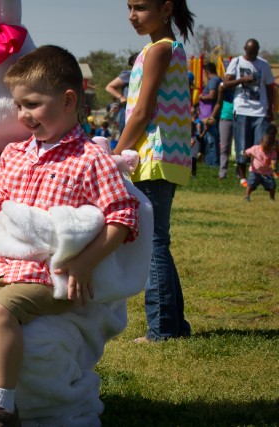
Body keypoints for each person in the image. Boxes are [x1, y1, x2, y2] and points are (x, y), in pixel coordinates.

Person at [0, 45, 139, 426]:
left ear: (68, 100)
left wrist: (83, 263)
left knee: (1, 310)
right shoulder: (16, 153)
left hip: (51, 274)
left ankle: (1, 407)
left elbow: (123, 214)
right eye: (19, 105)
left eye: (32, 104)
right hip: (5, 268)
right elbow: (2, 201)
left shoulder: (89, 158)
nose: (23, 115)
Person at [115, 0, 195, 342]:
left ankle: (161, 329)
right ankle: (176, 326)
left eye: (141, 7)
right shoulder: (163, 49)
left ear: (166, 9)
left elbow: (142, 111)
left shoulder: (159, 50)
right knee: (159, 241)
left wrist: (115, 153)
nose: (133, 15)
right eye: (130, 7)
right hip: (166, 157)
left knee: (152, 244)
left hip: (153, 158)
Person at [223, 39, 276, 187]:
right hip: (241, 109)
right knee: (242, 144)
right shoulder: (237, 62)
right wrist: (242, 79)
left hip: (260, 110)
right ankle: (242, 177)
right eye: (250, 52)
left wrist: (271, 109)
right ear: (245, 49)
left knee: (260, 145)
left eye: (255, 52)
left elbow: (270, 87)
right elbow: (226, 84)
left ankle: (259, 175)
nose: (252, 55)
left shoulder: (263, 64)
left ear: (258, 50)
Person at [105, 52, 139, 136]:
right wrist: (121, 97)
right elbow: (109, 87)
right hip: (127, 109)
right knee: (126, 134)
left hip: (139, 108)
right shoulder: (129, 74)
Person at [243, 124, 277, 201]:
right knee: (250, 184)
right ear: (260, 143)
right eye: (264, 148)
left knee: (272, 186)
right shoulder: (255, 149)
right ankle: (247, 196)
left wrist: (273, 166)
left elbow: (274, 159)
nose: (266, 150)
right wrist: (244, 154)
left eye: (268, 148)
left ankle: (272, 198)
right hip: (255, 172)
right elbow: (247, 152)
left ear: (272, 146)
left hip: (267, 172)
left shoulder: (272, 152)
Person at [198, 62, 222, 167]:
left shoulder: (213, 81)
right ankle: (211, 161)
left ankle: (213, 163)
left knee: (212, 139)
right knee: (211, 139)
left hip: (211, 114)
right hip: (213, 113)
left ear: (207, 72)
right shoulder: (218, 80)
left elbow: (212, 96)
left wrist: (202, 97)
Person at [213, 82, 236, 179]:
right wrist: (212, 116)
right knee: (224, 147)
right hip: (225, 117)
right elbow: (219, 103)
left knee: (240, 147)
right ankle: (222, 173)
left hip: (239, 117)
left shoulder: (241, 84)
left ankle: (240, 174)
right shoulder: (223, 86)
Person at [191, 106, 205, 177]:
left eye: (193, 129)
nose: (192, 130)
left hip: (193, 155)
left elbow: (200, 137)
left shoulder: (195, 137)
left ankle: (194, 175)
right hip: (188, 155)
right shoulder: (187, 137)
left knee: (193, 165)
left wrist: (205, 130)